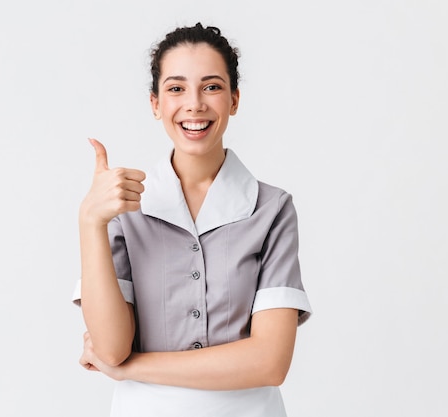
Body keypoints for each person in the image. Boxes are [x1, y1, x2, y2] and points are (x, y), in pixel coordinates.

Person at [73, 22, 312, 417]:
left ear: (234, 100)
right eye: (176, 88)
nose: (194, 104)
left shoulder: (271, 209)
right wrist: (90, 221)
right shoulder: (126, 211)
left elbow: (271, 362)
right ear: (155, 104)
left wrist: (129, 366)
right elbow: (112, 344)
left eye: (212, 87)